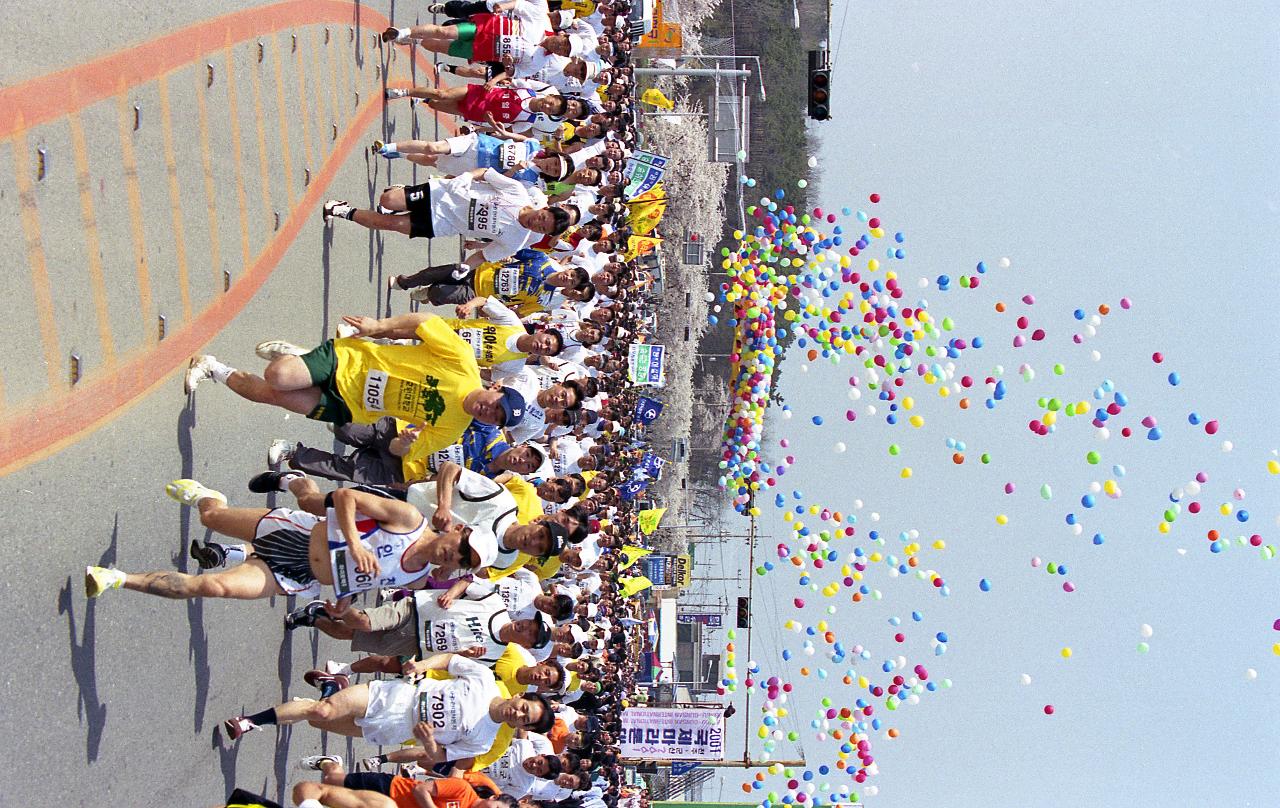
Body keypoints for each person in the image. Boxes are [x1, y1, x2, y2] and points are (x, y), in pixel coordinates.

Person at [85, 477, 493, 605]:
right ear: (456, 530)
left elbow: (366, 580)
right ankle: (213, 497)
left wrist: (345, 602)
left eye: (462, 560)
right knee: (211, 517)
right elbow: (347, 498)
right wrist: (354, 543)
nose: (454, 553)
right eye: (461, 545)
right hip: (294, 533)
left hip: (297, 576)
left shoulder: (418, 577)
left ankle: (117, 578)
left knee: (211, 586)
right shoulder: (409, 519)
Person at [183, 314, 526, 458]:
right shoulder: (463, 361)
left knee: (272, 396)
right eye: (496, 405)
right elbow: (426, 323)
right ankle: (300, 358)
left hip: (352, 405)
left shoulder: (452, 430)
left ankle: (211, 367)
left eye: (495, 418)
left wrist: (404, 443)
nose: (489, 412)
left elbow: (394, 451)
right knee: (278, 377)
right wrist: (380, 326)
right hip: (352, 360)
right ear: (495, 388)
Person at [222, 652, 555, 750]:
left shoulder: (483, 741)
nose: (519, 713)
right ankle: (250, 721)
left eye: (524, 719)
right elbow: (451, 660)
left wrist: (427, 743)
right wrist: (422, 665)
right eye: (525, 707)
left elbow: (438, 757)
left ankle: (329, 688)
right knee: (323, 710)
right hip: (398, 698)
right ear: (519, 697)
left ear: (518, 727)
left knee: (316, 718)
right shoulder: (485, 680)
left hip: (396, 729)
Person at [324, 168, 572, 265]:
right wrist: (466, 178)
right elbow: (486, 173)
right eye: (542, 218)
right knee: (387, 201)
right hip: (443, 193)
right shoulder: (517, 192)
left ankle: (342, 210)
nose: (536, 224)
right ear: (544, 209)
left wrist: (465, 268)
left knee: (387, 223)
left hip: (444, 222)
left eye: (541, 229)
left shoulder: (516, 241)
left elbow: (483, 255)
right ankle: (397, 195)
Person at [292, 757, 514, 808]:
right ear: (493, 798)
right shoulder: (463, 789)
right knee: (332, 780)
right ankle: (330, 762)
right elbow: (420, 789)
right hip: (391, 788)